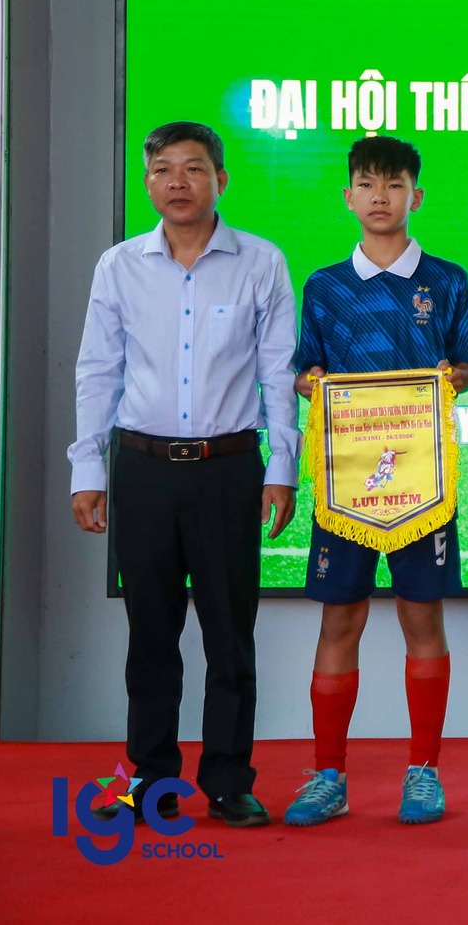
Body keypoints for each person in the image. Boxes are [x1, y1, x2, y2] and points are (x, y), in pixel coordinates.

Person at [69, 121, 297, 829]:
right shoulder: (119, 266)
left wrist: (283, 465)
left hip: (228, 470)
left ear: (220, 180)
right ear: (148, 183)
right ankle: (151, 779)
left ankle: (228, 779)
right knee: (151, 634)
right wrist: (87, 467)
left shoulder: (261, 261)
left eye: (193, 168)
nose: (177, 182)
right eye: (163, 169)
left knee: (231, 634)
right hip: (142, 469)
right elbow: (97, 371)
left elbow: (277, 373)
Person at [281, 136, 468, 829]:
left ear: (415, 196)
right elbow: (304, 372)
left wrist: (446, 380)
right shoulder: (324, 285)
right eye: (367, 184)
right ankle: (328, 774)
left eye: (394, 185)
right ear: (348, 197)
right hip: (348, 484)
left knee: (422, 617)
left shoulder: (447, 280)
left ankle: (423, 771)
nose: (380, 197)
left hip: (422, 481)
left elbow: (466, 368)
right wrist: (314, 384)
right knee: (340, 618)